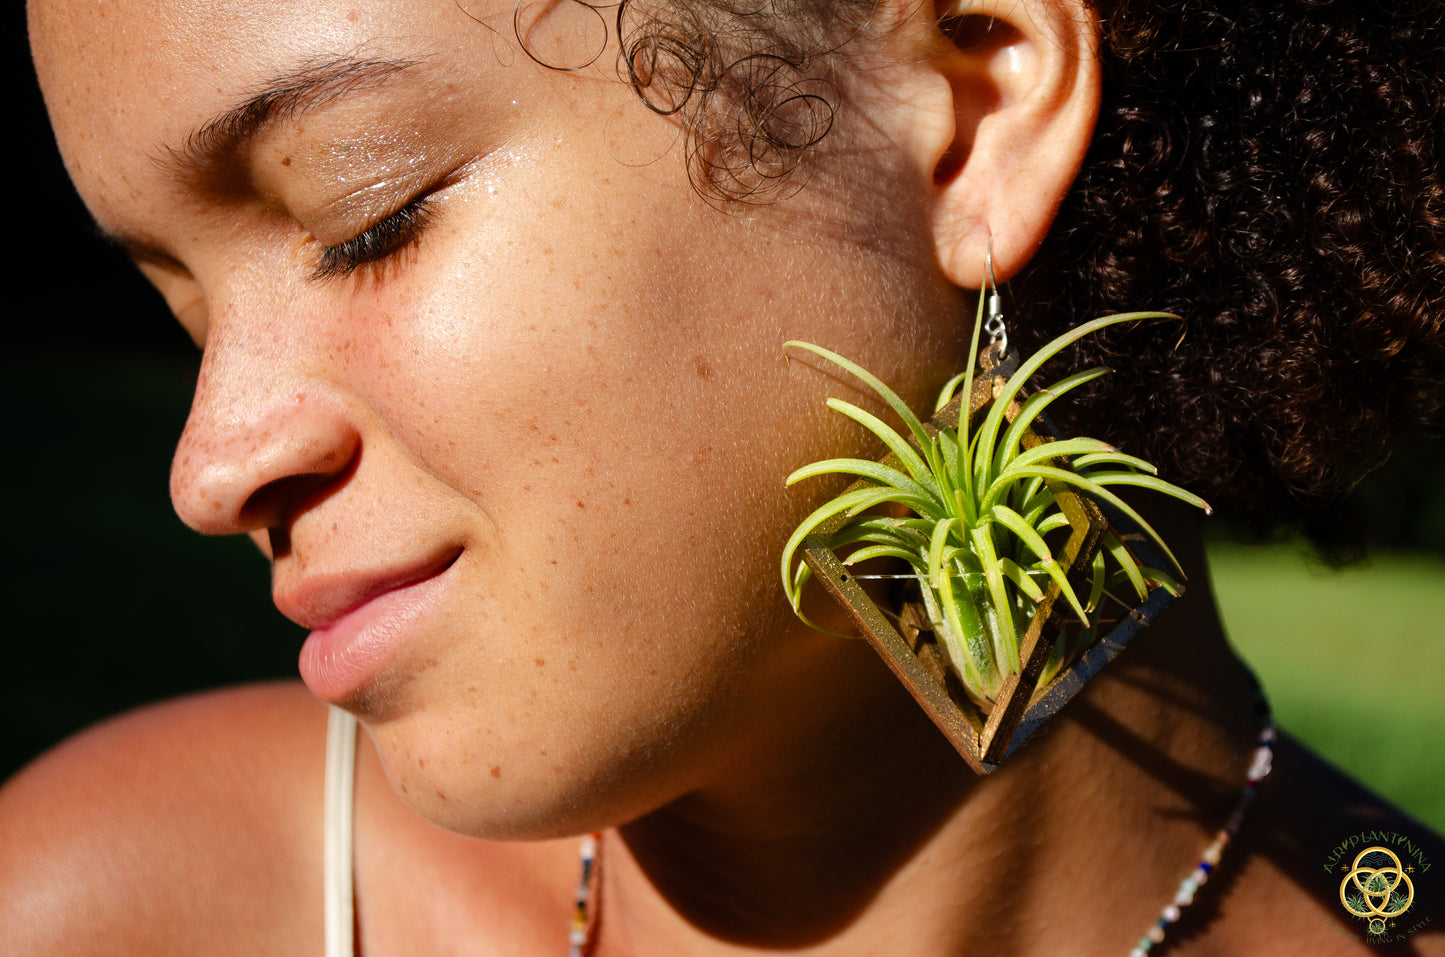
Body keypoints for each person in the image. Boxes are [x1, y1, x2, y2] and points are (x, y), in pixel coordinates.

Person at [6, 0, 1442, 954]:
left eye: (364, 213)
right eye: (183, 304)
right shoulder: (114, 910)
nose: (212, 465)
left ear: (972, 106)